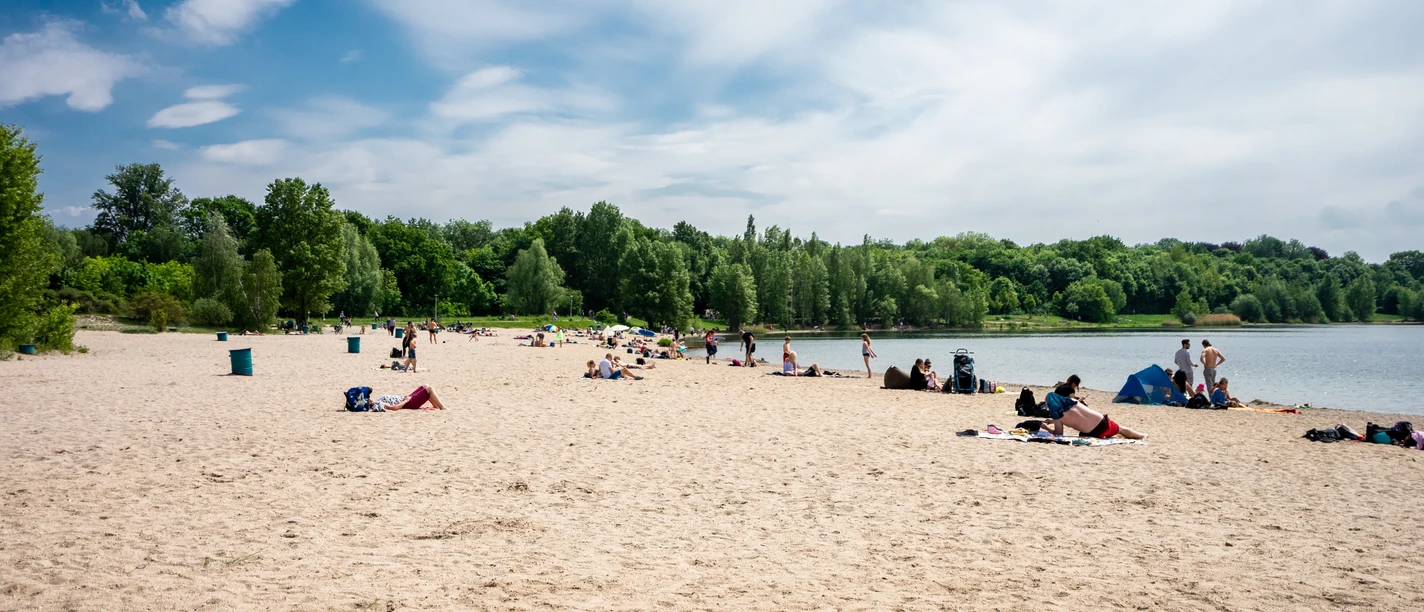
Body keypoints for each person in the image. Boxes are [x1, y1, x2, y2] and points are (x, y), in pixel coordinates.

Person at [1043, 379, 1145, 440]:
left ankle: (1140, 436)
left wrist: (1046, 427)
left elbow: (1058, 434)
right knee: (1119, 428)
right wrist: (1053, 421)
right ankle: (1141, 435)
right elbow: (1074, 415)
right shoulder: (1072, 401)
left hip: (1093, 432)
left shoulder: (1057, 415)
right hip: (1101, 421)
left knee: (1119, 430)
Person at [372, 385, 445, 410]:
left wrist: (406, 398)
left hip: (406, 398)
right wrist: (406, 401)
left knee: (425, 386)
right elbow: (394, 408)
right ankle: (442, 407)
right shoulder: (378, 403)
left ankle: (435, 405)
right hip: (408, 403)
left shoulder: (377, 400)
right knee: (429, 389)